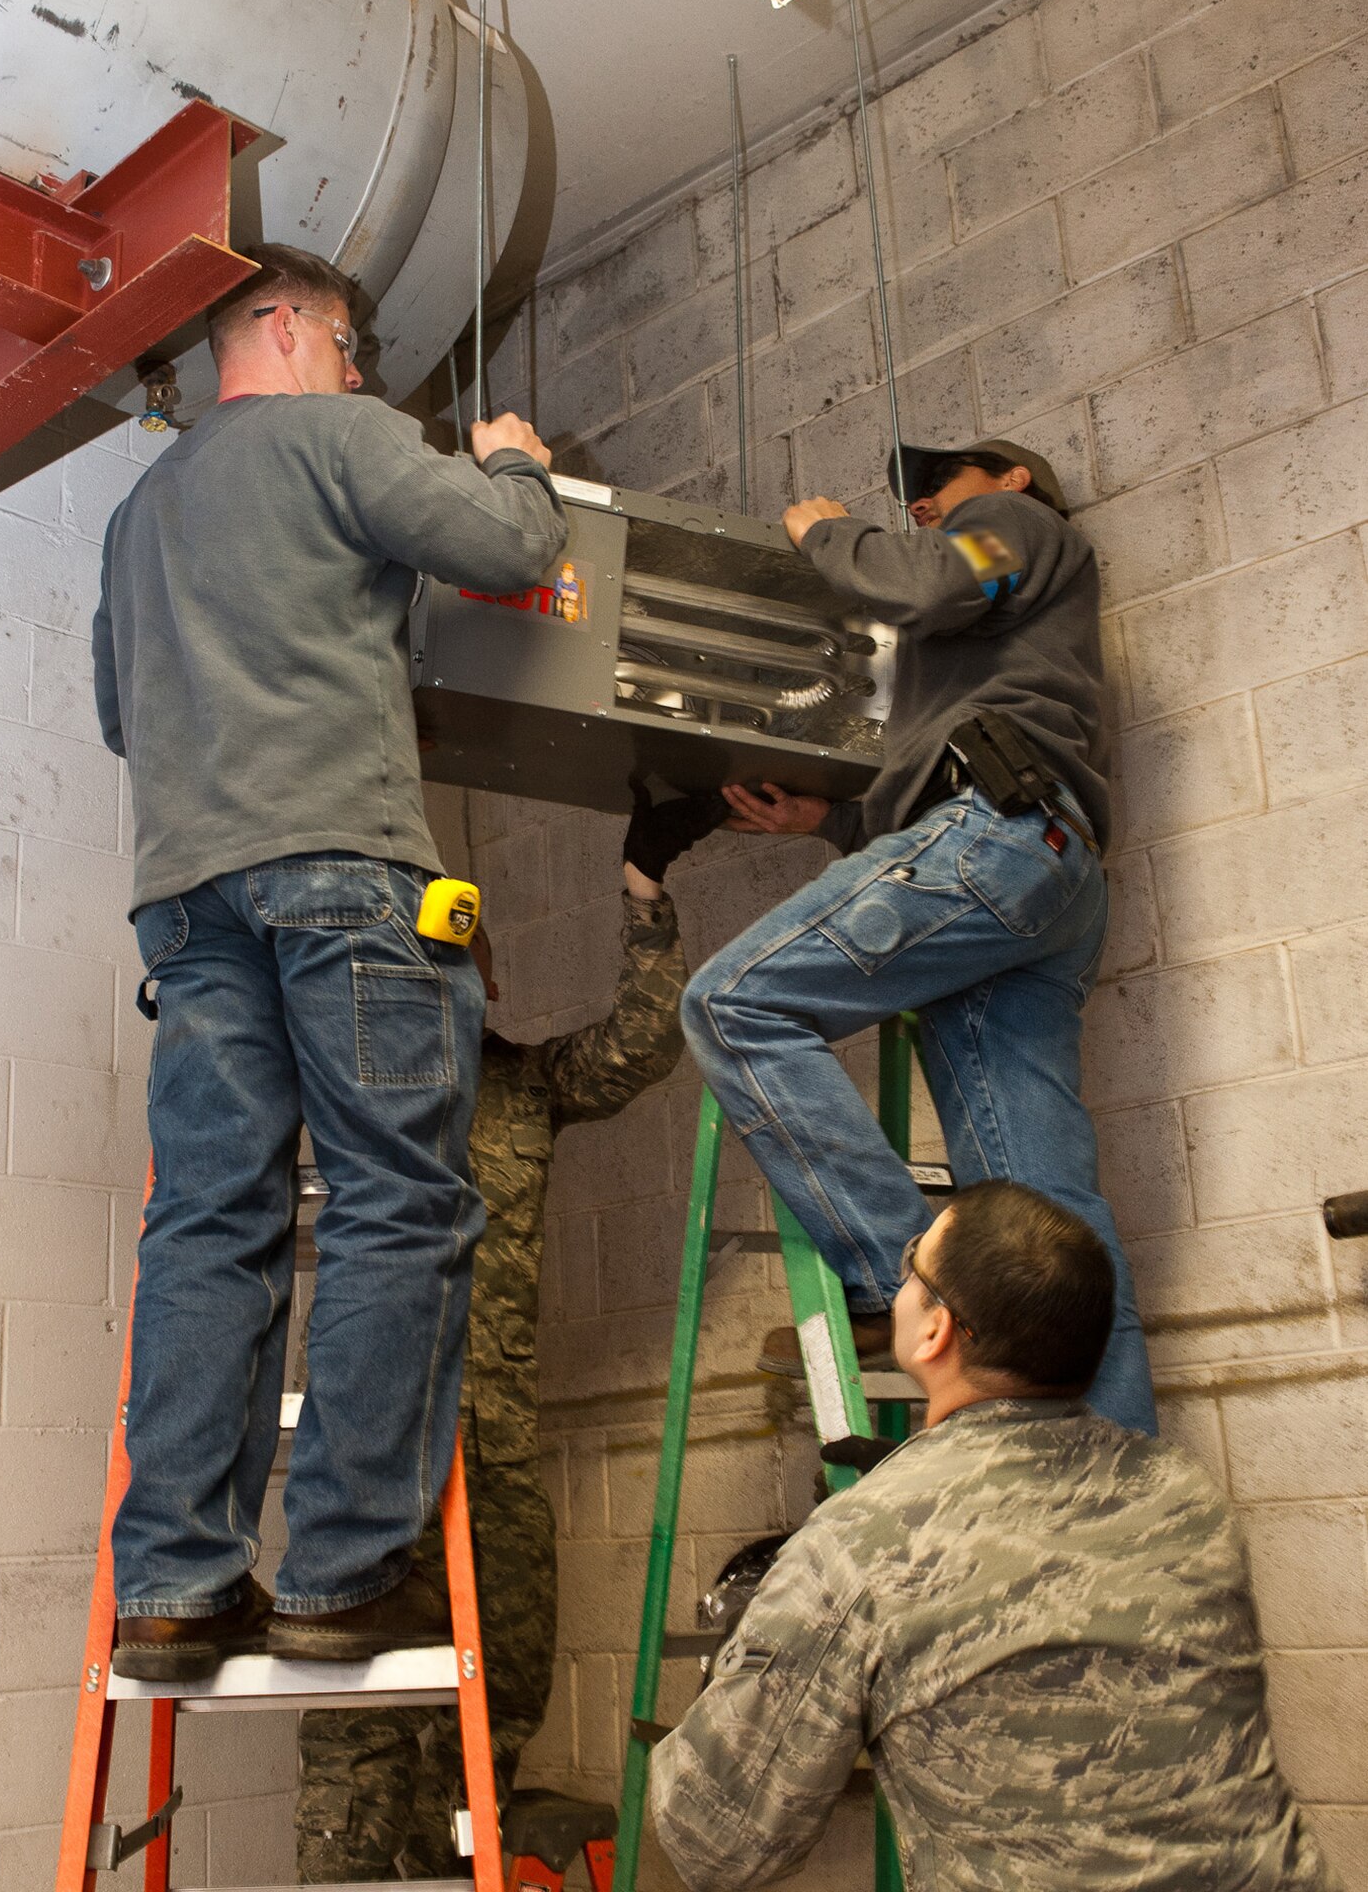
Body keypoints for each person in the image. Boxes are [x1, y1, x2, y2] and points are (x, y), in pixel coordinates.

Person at [92, 243, 567, 1678]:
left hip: (187, 900)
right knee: (395, 1203)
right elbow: (506, 550)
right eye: (354, 347)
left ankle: (178, 1582)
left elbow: (126, 713)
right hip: (341, 879)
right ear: (291, 327)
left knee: (210, 1221)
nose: (363, 374)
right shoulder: (338, 434)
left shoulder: (139, 509)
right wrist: (515, 463)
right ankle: (348, 1573)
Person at [650, 1180, 1336, 1892]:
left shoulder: (863, 1544)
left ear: (935, 1329)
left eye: (912, 1262)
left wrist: (776, 1624)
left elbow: (715, 1839)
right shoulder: (1187, 1496)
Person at [680, 439, 1155, 1435]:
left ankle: (911, 1285)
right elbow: (944, 771)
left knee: (732, 1001)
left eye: (941, 483)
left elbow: (927, 586)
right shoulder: (990, 653)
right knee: (1048, 1218)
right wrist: (827, 823)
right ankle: (1114, 1498)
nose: (924, 501)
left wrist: (829, 536)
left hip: (1005, 837)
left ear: (1013, 481)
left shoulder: (1021, 525)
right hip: (1036, 863)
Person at [295, 788, 724, 1882]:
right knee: (362, 1717)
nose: (456, 981)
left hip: (494, 1466)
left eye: (468, 963)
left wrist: (643, 891)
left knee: (505, 1689)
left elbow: (638, 1042)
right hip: (377, 1464)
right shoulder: (345, 1098)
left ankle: (452, 1858)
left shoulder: (524, 1089)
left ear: (483, 978)